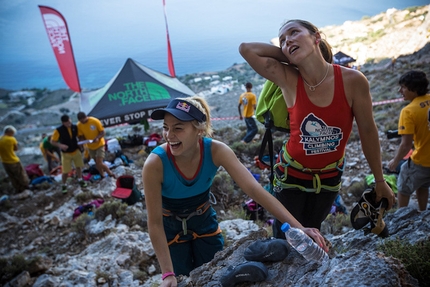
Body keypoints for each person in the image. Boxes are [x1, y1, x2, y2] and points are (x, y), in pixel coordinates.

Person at [142, 96, 327, 285]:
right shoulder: (155, 164)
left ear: (198, 129)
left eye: (178, 128)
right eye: (166, 127)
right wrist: (167, 274)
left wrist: (299, 227)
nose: (169, 135)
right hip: (170, 232)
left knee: (213, 278)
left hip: (205, 224)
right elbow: (155, 223)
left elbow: (254, 190)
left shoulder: (216, 151)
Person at [239, 19, 396, 239]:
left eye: (295, 33)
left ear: (317, 36)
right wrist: (293, 54)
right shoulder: (288, 79)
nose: (288, 40)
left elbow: (368, 131)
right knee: (287, 238)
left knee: (314, 232)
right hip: (290, 176)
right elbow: (246, 49)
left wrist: (380, 181)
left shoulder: (353, 81)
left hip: (329, 179)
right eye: (283, 40)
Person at [388, 70, 430, 211]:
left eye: (404, 87)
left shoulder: (408, 111)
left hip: (422, 161)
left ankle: (402, 216)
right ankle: (423, 211)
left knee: (403, 187)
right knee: (422, 185)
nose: (400, 91)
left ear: (415, 88)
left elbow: (406, 145)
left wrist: (395, 161)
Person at [51, 115, 86, 193]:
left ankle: (80, 180)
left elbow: (80, 136)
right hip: (66, 153)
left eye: (70, 122)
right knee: (65, 171)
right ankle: (64, 185)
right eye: (67, 123)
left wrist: (81, 142)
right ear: (63, 123)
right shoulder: (58, 130)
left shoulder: (75, 127)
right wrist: (61, 145)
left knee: (79, 166)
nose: (69, 124)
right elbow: (53, 141)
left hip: (76, 150)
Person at [77, 112, 115, 179]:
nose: (82, 122)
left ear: (85, 117)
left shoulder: (94, 121)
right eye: (80, 121)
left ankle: (110, 173)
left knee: (99, 162)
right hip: (90, 146)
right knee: (96, 163)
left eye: (83, 120)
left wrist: (97, 137)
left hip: (99, 144)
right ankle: (102, 175)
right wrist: (81, 141)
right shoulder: (79, 125)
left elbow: (103, 132)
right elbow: (81, 136)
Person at [0, 125, 29, 193]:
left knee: (12, 176)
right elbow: (16, 149)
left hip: (4, 162)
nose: (13, 134)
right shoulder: (11, 139)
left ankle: (18, 189)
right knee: (21, 174)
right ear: (9, 132)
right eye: (12, 133)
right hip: (13, 160)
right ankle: (25, 187)